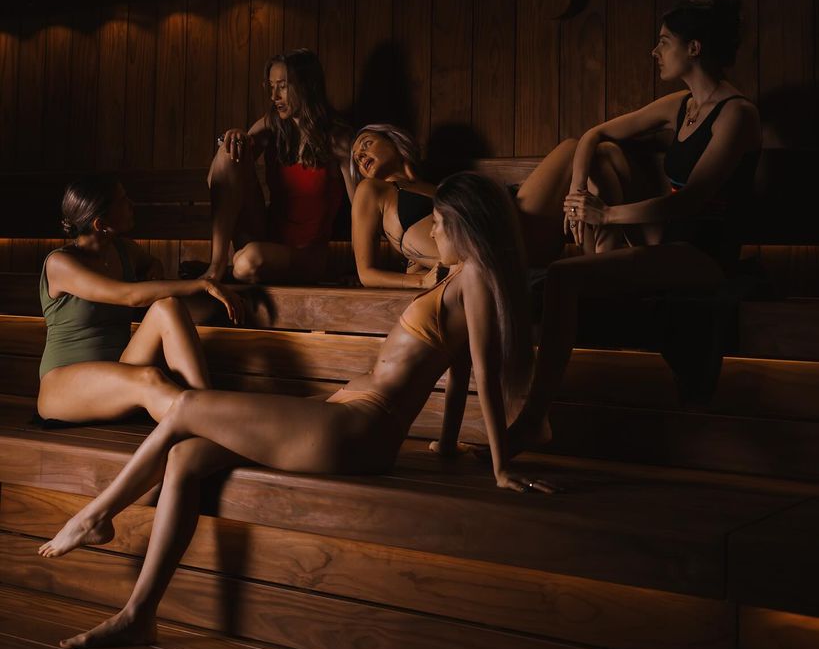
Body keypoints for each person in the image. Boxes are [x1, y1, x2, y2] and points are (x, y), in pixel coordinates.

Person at [39, 172, 558, 649]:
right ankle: (139, 615)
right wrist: (445, 443)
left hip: (359, 430)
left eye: (441, 223)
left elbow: (485, 373)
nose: (432, 232)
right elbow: (460, 364)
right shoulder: (460, 275)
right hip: (347, 414)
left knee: (188, 407)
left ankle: (96, 514)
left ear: (467, 227)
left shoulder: (477, 281)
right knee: (187, 459)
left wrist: (500, 465)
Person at [508, 0, 761, 452]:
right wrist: (578, 190)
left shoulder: (737, 115)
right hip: (662, 239)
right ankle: (531, 406)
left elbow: (693, 200)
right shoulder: (680, 106)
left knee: (563, 277)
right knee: (602, 154)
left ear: (693, 48)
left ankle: (533, 415)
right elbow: (594, 134)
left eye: (663, 41)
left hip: (702, 254)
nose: (654, 51)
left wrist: (605, 213)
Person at [38, 175, 243, 425]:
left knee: (167, 306)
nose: (132, 205)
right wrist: (203, 283)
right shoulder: (61, 263)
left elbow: (149, 263)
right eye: (123, 201)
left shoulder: (124, 250)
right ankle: (219, 425)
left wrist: (153, 266)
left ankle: (207, 402)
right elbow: (129, 296)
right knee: (150, 378)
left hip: (120, 369)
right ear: (100, 223)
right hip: (64, 386)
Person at [350, 123, 577, 287]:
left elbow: (421, 246)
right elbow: (366, 273)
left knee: (590, 155)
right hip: (494, 256)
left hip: (505, 236)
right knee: (571, 149)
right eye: (356, 159)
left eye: (366, 144)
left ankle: (593, 262)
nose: (360, 156)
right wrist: (418, 281)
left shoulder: (434, 186)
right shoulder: (370, 190)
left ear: (393, 141)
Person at [202, 48, 354, 284]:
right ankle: (215, 267)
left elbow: (362, 209)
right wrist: (232, 139)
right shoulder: (272, 126)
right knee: (231, 148)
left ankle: (234, 266)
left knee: (246, 262)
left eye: (282, 86)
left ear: (305, 86)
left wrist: (362, 270)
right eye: (271, 86)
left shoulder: (337, 140)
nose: (274, 96)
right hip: (265, 241)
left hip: (306, 256)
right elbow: (216, 178)